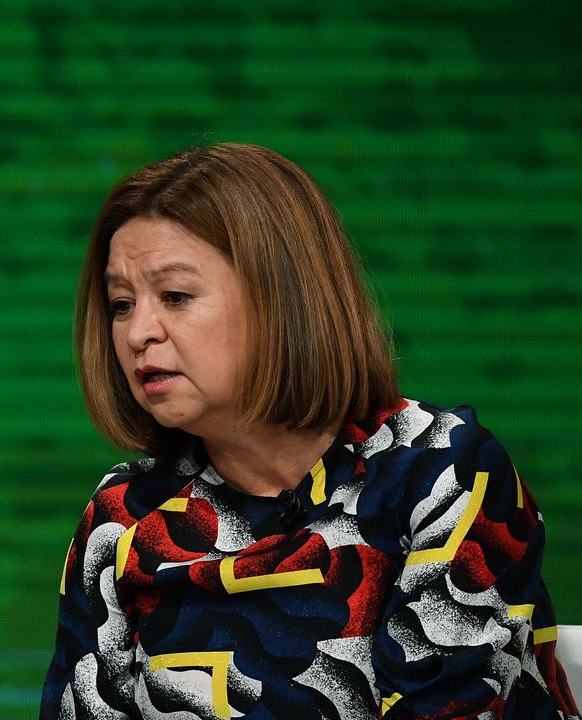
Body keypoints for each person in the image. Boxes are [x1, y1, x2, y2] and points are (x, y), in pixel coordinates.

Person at [41, 143, 577, 719]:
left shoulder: (442, 474)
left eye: (175, 296)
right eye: (121, 303)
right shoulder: (122, 519)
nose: (138, 332)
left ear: (281, 299)